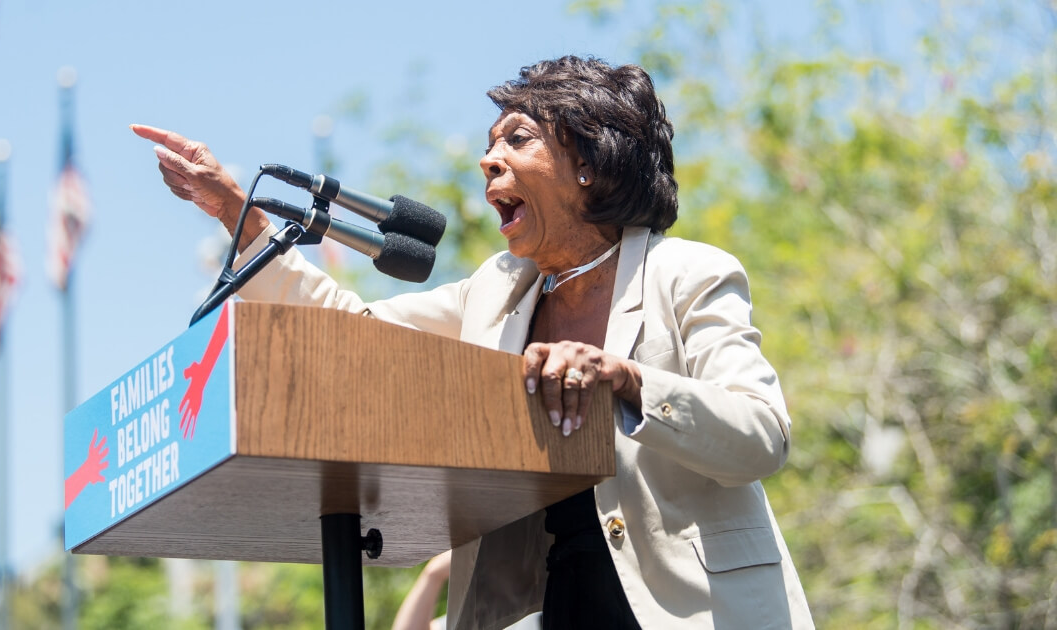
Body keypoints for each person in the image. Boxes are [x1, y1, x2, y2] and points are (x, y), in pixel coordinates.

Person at [133, 55, 813, 629]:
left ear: (588, 161)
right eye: (490, 144)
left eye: (517, 139)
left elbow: (761, 434)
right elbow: (357, 335)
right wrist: (236, 211)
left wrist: (629, 381)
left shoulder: (687, 274)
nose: (489, 159)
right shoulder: (498, 292)